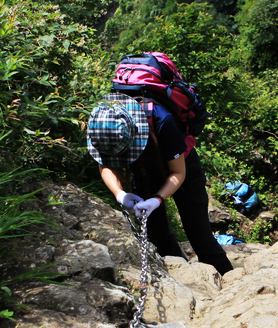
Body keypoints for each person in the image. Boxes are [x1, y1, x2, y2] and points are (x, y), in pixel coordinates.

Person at [87, 93, 234, 275]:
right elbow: (105, 165)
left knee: (200, 237)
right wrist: (120, 194)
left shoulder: (162, 120)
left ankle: (228, 278)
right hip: (144, 169)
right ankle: (180, 276)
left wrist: (156, 200)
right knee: (156, 235)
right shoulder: (103, 122)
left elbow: (178, 173)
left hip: (183, 166)